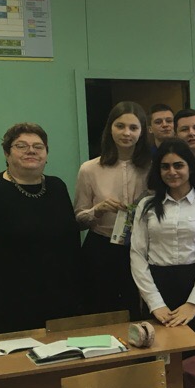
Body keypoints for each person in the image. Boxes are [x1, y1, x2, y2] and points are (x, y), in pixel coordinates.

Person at [0, 123, 80, 334]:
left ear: (46, 154)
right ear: (7, 153)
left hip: (58, 302)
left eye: (38, 146)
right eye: (21, 146)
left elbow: (70, 243)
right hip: (5, 305)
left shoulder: (57, 187)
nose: (31, 151)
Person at [130, 140, 195, 374]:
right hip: (158, 288)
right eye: (165, 166)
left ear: (190, 167)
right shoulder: (147, 206)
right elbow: (137, 255)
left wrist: (193, 304)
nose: (172, 172)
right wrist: (155, 303)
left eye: (178, 165)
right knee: (160, 365)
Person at [74, 101, 150, 316]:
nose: (126, 133)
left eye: (133, 128)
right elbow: (78, 220)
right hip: (101, 248)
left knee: (137, 309)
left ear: (142, 132)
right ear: (110, 128)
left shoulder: (152, 168)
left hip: (141, 247)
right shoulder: (89, 169)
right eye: (120, 126)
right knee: (99, 310)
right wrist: (97, 210)